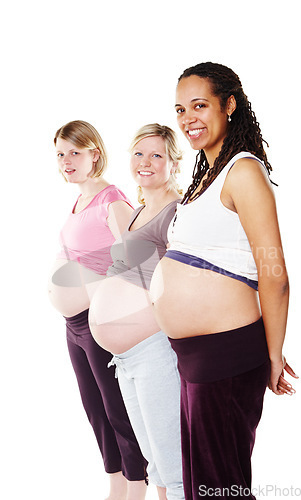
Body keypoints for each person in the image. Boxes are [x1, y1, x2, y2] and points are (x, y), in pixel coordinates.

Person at [150, 63, 299, 500]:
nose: (187, 118)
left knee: (220, 489)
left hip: (227, 354)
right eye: (180, 109)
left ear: (229, 105)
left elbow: (275, 273)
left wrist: (273, 354)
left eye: (200, 105)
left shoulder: (244, 172)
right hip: (195, 357)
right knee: (205, 488)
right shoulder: (203, 181)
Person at [48, 120, 148, 500]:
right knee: (94, 409)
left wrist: (96, 282)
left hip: (97, 323)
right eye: (60, 154)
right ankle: (116, 484)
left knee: (116, 409)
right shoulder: (77, 202)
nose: (66, 161)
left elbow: (137, 258)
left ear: (95, 153)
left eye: (75, 152)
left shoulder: (112, 199)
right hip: (72, 324)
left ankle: (136, 488)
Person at [89, 123, 185, 500]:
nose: (145, 162)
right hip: (124, 358)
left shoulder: (177, 212)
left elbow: (184, 283)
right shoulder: (138, 210)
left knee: (173, 466)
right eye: (139, 153)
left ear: (174, 163)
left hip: (154, 351)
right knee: (154, 462)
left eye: (157, 154)